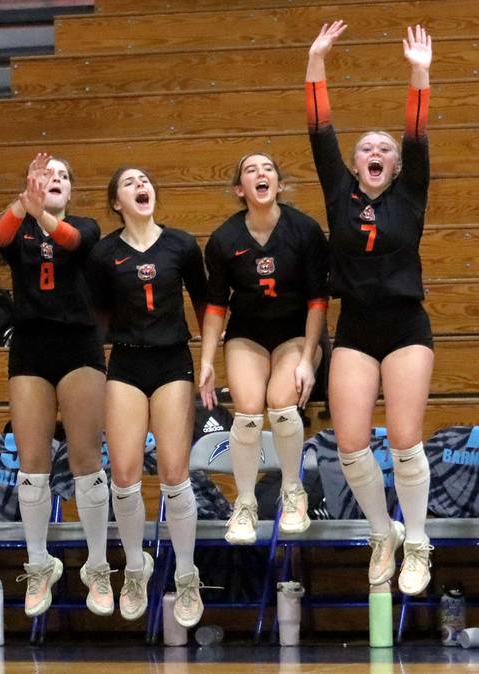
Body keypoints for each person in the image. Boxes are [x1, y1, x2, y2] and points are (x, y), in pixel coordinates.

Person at [306, 22, 434, 595]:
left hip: (406, 325)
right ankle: (383, 532)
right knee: (352, 441)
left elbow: (416, 131)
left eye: (385, 149)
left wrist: (419, 72)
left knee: (405, 438)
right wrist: (316, 61)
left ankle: (419, 540)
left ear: (396, 165)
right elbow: (320, 130)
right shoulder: (339, 192)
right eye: (367, 149)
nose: (377, 152)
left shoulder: (411, 189)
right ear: (355, 165)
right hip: (355, 327)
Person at [0, 153, 111, 618]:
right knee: (32, 465)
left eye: (62, 176)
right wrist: (23, 204)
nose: (54, 180)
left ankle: (97, 566)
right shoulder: (20, 226)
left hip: (79, 347)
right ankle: (39, 564)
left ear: (71, 190)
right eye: (45, 175)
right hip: (31, 349)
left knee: (85, 461)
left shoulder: (88, 226)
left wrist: (40, 211)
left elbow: (72, 240)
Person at [85, 167, 208, 628]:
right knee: (124, 474)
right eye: (130, 183)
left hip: (173, 361)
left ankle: (187, 573)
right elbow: (96, 317)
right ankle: (135, 567)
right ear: (116, 201)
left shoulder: (180, 244)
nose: (142, 186)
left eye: (146, 181)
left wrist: (210, 356)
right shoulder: (104, 254)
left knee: (176, 474)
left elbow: (205, 303)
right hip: (126, 363)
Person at [199, 154, 329, 544]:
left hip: (297, 332)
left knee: (281, 401)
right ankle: (245, 503)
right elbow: (216, 308)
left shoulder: (303, 230)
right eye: (251, 170)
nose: (261, 174)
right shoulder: (224, 239)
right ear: (240, 189)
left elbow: (318, 301)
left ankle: (293, 492)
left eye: (268, 168)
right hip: (248, 334)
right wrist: (206, 360)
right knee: (249, 410)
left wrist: (308, 358)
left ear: (280, 184)